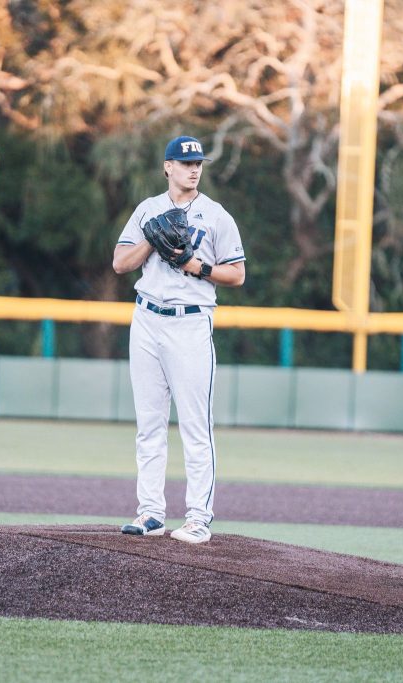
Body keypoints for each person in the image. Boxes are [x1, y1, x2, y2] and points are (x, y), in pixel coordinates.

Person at [112, 135, 246, 544]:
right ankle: (151, 513)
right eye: (185, 162)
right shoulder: (147, 210)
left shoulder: (216, 215)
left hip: (190, 323)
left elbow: (237, 274)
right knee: (149, 424)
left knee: (194, 425)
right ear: (167, 167)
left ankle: (198, 519)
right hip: (147, 319)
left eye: (198, 163)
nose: (193, 168)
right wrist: (151, 239)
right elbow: (120, 263)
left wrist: (195, 264)